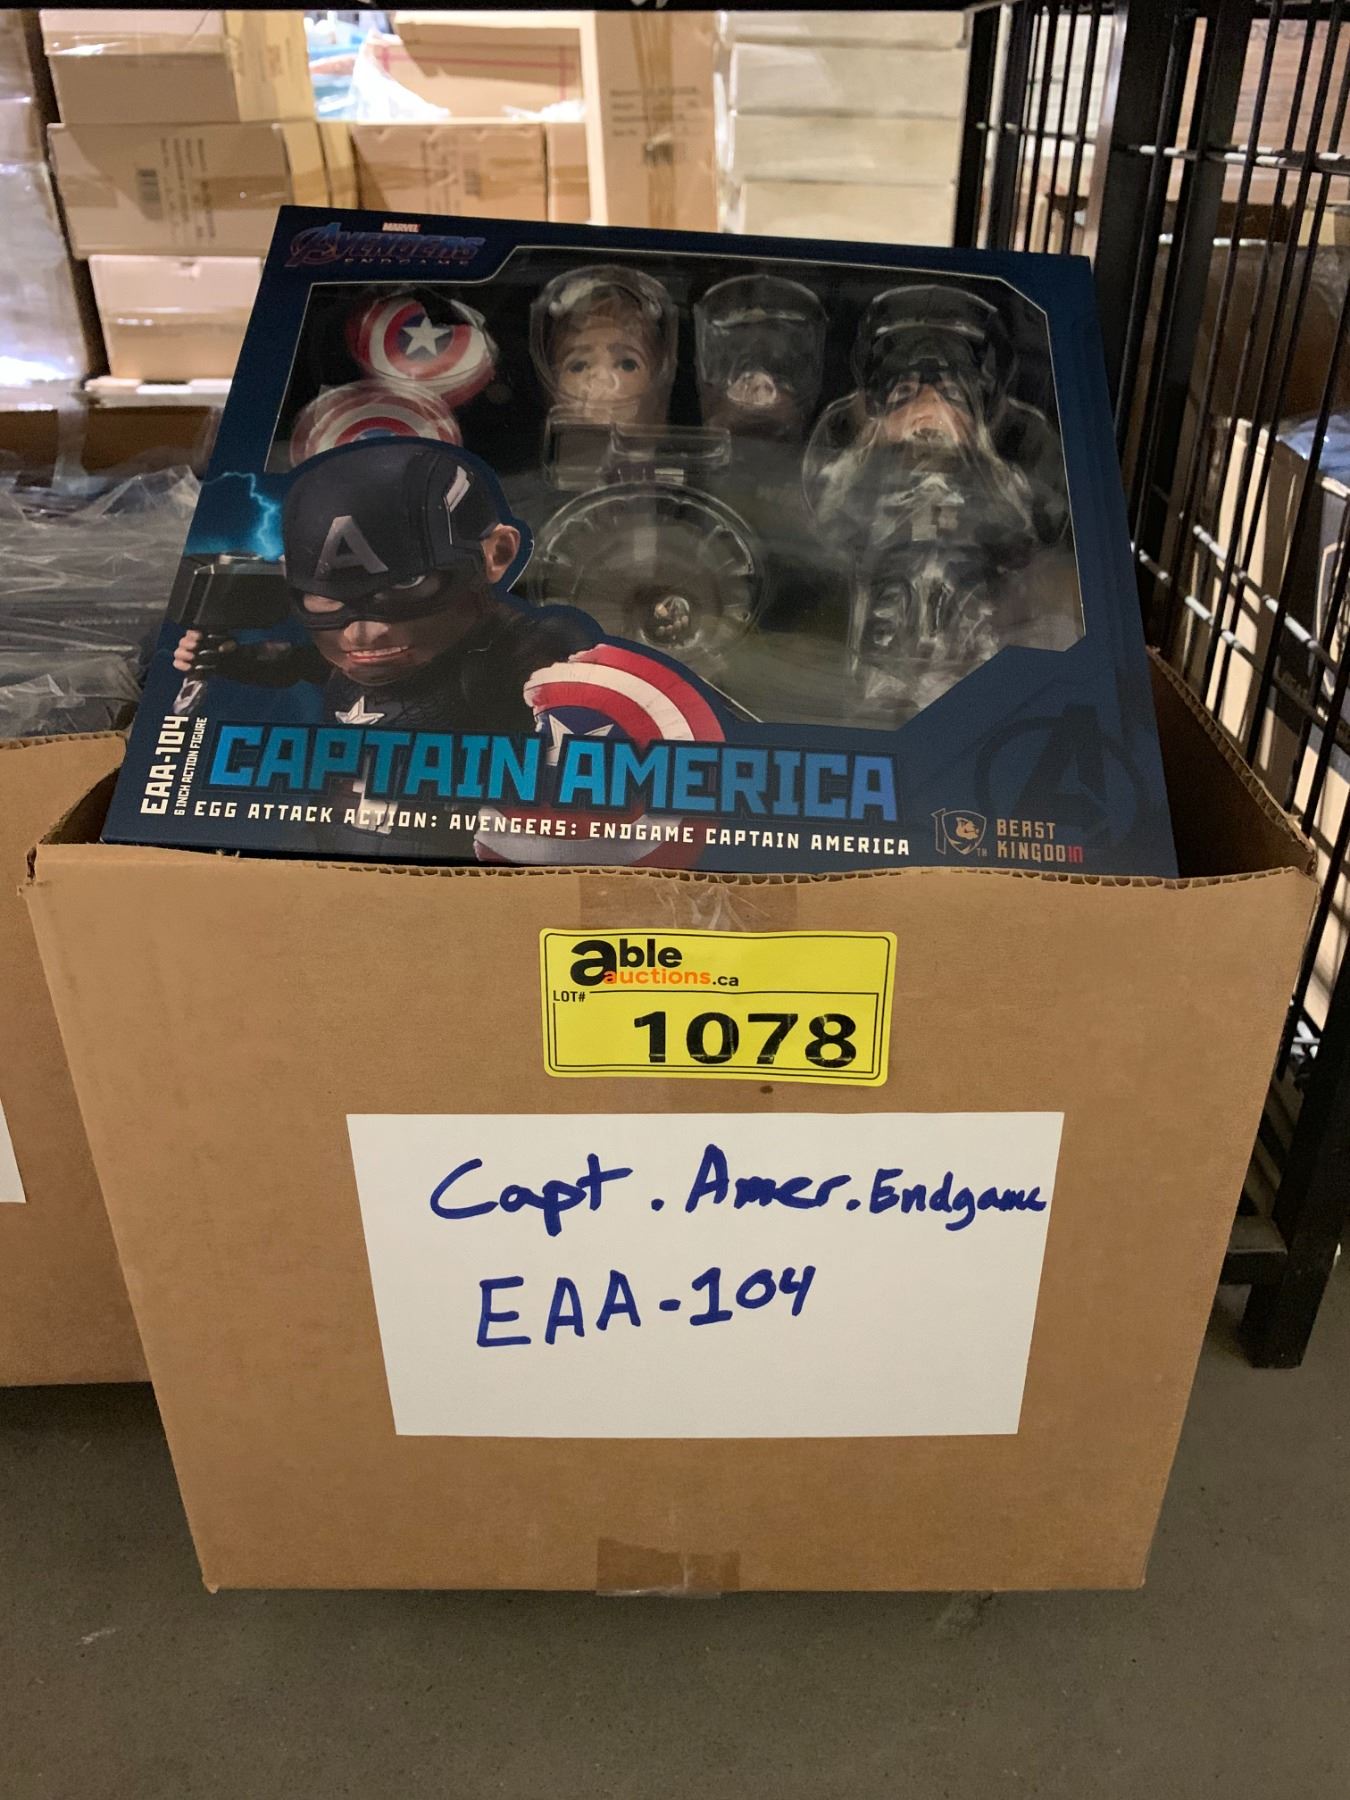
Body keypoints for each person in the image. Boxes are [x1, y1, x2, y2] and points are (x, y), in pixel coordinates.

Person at [173, 437, 598, 735]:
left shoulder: (516, 654)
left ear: (497, 554)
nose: (363, 634)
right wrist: (228, 658)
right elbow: (299, 664)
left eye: (407, 584)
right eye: (327, 598)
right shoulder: (356, 655)